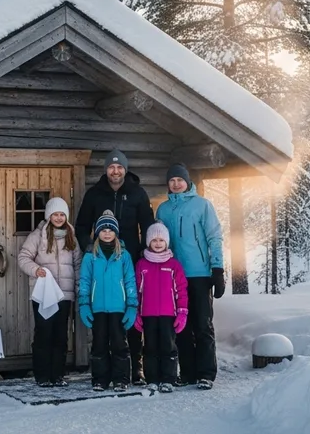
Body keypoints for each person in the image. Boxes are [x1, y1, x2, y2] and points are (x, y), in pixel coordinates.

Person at [75, 150, 154, 385]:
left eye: (119, 167)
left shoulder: (138, 193)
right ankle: (104, 373)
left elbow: (148, 225)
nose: (115, 171)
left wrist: (142, 253)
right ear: (106, 169)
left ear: (125, 170)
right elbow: (81, 225)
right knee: (104, 329)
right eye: (111, 167)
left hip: (131, 261)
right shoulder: (94, 195)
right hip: (102, 258)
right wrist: (89, 247)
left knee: (131, 319)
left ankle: (135, 370)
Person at [156, 163, 224, 390]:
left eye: (180, 180)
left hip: (200, 273)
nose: (176, 184)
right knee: (181, 326)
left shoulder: (202, 205)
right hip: (173, 275)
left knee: (202, 324)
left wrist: (218, 268)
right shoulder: (163, 210)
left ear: (188, 182)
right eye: (172, 180)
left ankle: (206, 373)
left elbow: (214, 237)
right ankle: (188, 372)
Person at [18, 196, 82, 387]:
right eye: (55, 214)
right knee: (44, 333)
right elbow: (23, 257)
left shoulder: (72, 236)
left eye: (62, 214)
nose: (59, 218)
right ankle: (42, 375)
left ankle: (58, 375)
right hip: (44, 293)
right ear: (49, 216)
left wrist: (77, 287)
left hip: (65, 294)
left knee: (61, 335)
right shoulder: (38, 236)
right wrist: (35, 270)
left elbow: (77, 264)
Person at [78, 210, 138, 392]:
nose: (106, 233)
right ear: (97, 233)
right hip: (98, 308)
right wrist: (84, 304)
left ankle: (121, 379)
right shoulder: (90, 256)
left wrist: (132, 306)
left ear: (116, 233)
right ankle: (100, 379)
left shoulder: (124, 256)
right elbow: (85, 281)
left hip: (119, 308)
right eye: (103, 229)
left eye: (110, 230)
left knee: (120, 344)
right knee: (99, 344)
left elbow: (130, 280)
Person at [134, 222, 188, 394]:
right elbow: (136, 290)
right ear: (148, 242)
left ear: (167, 242)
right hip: (147, 314)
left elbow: (181, 290)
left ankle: (168, 379)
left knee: (168, 346)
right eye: (154, 240)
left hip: (168, 315)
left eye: (161, 240)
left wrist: (182, 312)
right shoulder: (142, 264)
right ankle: (152, 379)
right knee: (150, 347)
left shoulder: (174, 265)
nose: (158, 243)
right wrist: (135, 312)